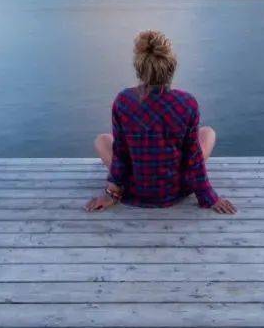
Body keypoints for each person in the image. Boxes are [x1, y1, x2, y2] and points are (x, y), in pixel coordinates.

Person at [85, 30, 237, 214]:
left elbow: (121, 154)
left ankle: (125, 185)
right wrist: (208, 197)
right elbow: (193, 157)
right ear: (171, 67)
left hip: (136, 188)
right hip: (175, 189)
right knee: (208, 133)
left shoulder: (123, 100)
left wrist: (111, 194)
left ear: (139, 68)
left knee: (102, 140)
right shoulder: (187, 103)